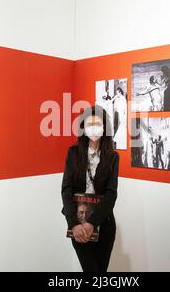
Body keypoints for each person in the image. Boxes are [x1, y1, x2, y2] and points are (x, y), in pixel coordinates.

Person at [61, 105, 119, 272]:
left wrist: (93, 222)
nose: (94, 128)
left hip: (104, 223)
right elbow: (66, 189)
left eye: (98, 124)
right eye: (89, 124)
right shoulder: (73, 153)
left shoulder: (113, 157)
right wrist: (74, 224)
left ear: (105, 127)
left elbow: (111, 193)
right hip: (78, 223)